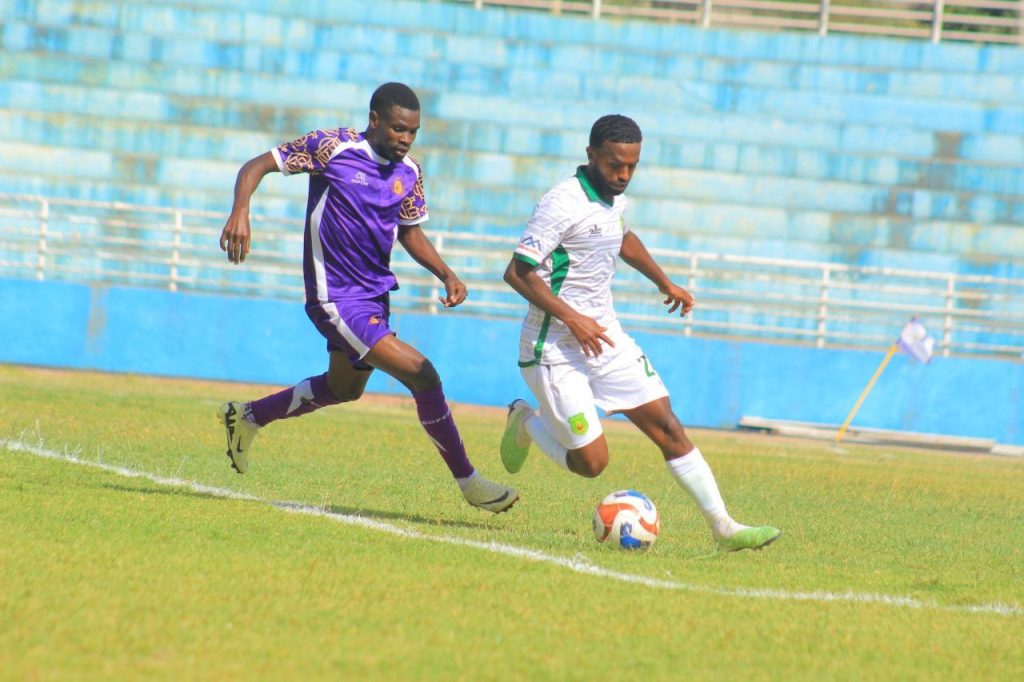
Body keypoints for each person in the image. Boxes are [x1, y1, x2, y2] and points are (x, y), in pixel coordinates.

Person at [217, 82, 518, 514]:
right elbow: (257, 165)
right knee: (423, 375)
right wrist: (241, 210)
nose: (405, 139)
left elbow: (410, 231)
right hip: (334, 298)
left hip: (375, 296)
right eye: (398, 128)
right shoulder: (331, 147)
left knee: (344, 388)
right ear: (374, 119)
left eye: (412, 131)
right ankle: (469, 481)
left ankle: (246, 416)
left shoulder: (409, 172)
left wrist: (446, 272)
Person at [500, 114, 780, 549]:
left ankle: (724, 527)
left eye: (632, 166)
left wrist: (663, 281)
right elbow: (517, 274)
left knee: (668, 425)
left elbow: (620, 236)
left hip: (605, 338)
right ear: (590, 154)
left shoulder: (614, 197)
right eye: (615, 164)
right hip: (554, 347)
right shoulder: (561, 202)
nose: (624, 175)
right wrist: (573, 318)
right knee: (591, 464)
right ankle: (526, 421)